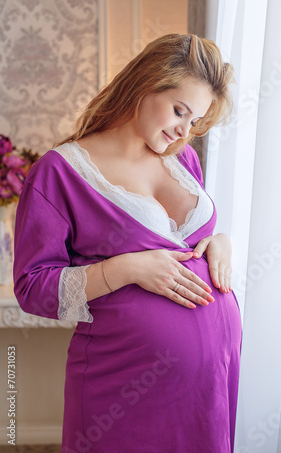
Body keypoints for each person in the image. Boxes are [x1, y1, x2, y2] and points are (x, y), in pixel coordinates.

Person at [13, 33, 242, 453]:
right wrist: (128, 268)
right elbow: (32, 288)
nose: (183, 130)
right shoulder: (59, 172)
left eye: (194, 121)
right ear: (145, 83)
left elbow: (184, 242)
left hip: (209, 381)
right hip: (123, 386)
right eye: (179, 111)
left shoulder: (183, 158)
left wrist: (218, 242)